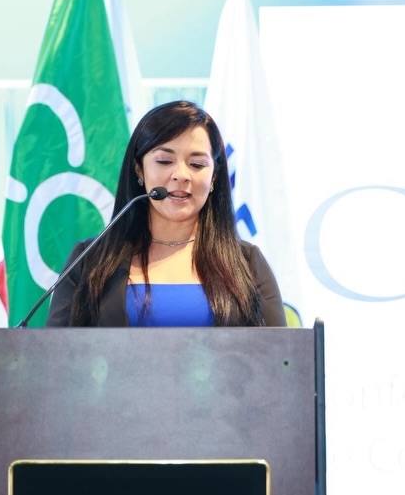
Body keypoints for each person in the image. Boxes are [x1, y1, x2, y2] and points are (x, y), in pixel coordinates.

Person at [46, 100, 286, 327]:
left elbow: (280, 352)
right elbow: (56, 350)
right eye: (164, 161)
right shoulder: (89, 261)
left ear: (214, 177)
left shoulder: (247, 263)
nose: (181, 175)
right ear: (139, 170)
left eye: (197, 164)